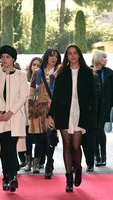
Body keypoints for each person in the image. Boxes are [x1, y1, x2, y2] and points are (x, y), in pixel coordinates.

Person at [47, 44, 95, 192]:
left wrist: (92, 115)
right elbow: (55, 97)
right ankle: (68, 177)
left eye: (75, 53)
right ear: (67, 57)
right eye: (69, 54)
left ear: (79, 55)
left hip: (80, 113)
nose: (72, 56)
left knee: (76, 146)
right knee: (67, 145)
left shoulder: (87, 73)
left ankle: (78, 168)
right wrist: (50, 114)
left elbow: (92, 97)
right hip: (64, 112)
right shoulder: (62, 72)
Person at [0, 45, 28, 192]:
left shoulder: (21, 75)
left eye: (7, 57)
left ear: (13, 59)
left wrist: (10, 112)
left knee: (10, 146)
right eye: (2, 56)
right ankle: (8, 176)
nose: (4, 59)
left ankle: (11, 176)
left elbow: (23, 96)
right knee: (4, 147)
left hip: (15, 116)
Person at [27, 49, 61, 177]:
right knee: (41, 138)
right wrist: (30, 109)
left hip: (53, 110)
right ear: (46, 57)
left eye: (56, 57)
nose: (53, 58)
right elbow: (31, 92)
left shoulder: (60, 73)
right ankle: (43, 161)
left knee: (50, 137)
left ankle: (49, 164)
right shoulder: (37, 72)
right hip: (38, 110)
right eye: (51, 56)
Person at [91, 50, 113, 167]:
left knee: (99, 129)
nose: (106, 59)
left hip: (104, 106)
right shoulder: (89, 71)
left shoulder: (109, 73)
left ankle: (103, 156)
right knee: (94, 130)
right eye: (104, 57)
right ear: (98, 58)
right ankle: (96, 156)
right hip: (92, 107)